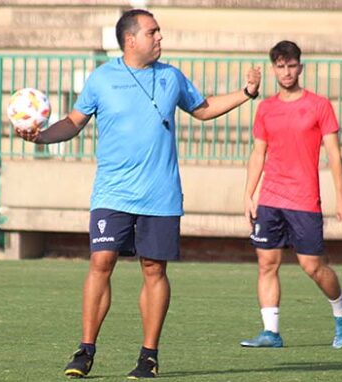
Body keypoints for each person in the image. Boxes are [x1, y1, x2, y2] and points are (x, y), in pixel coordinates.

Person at [15, 8, 261, 379]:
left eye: (159, 32)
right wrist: (41, 136)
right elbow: (72, 123)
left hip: (160, 194)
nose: (160, 38)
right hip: (112, 193)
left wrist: (246, 93)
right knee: (101, 262)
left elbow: (204, 109)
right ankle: (85, 350)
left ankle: (148, 356)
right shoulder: (102, 79)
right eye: (153, 32)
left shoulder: (171, 76)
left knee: (153, 268)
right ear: (131, 40)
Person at [239, 40, 342, 350]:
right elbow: (258, 152)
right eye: (280, 66)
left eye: (291, 65)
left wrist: (341, 198)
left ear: (300, 67)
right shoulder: (266, 108)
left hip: (304, 200)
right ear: (273, 69)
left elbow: (334, 154)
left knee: (312, 267)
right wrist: (249, 193)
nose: (287, 71)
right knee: (267, 264)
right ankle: (271, 332)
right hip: (270, 199)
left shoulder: (319, 105)